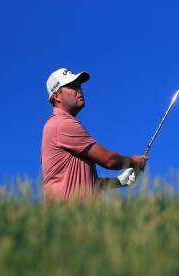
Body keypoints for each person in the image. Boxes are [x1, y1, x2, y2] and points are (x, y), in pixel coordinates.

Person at [41, 68, 148, 201]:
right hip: (67, 216)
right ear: (56, 96)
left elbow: (84, 185)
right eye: (72, 86)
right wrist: (134, 161)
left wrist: (119, 181)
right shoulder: (62, 124)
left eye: (79, 85)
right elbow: (108, 160)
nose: (79, 89)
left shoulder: (60, 125)